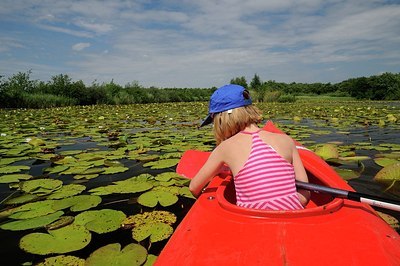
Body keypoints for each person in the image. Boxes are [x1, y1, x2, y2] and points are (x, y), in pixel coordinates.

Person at [189, 84, 310, 210]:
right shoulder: (286, 140)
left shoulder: (224, 148)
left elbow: (194, 187)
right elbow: (305, 193)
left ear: (221, 119)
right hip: (292, 215)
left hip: (252, 220)